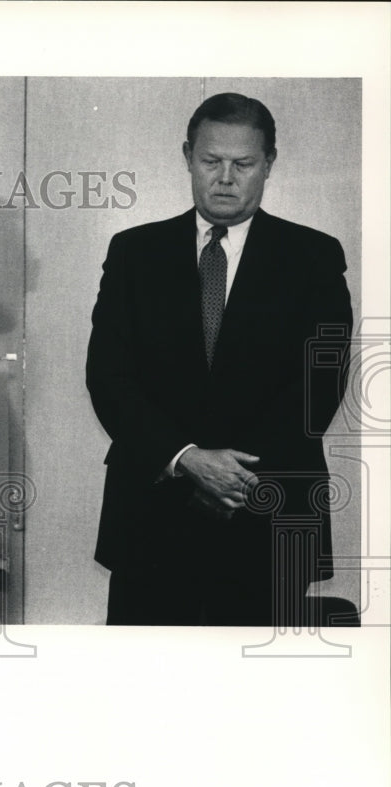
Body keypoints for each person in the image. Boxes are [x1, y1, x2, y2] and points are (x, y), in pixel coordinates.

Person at [86, 93, 352, 625]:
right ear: (188, 156)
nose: (225, 177)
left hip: (268, 510)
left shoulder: (315, 256)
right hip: (152, 515)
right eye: (211, 161)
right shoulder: (134, 252)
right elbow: (108, 377)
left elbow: (318, 386)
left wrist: (230, 476)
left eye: (243, 163)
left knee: (257, 699)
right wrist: (187, 458)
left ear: (269, 164)